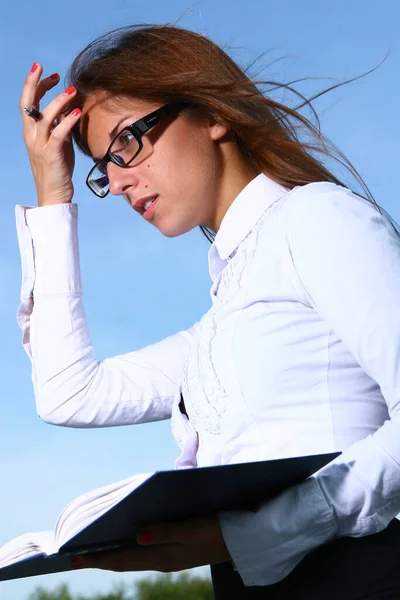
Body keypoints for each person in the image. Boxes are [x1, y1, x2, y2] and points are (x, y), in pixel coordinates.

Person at [18, 24, 400, 599]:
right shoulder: (225, 315)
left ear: (212, 112)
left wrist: (243, 537)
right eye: (104, 166)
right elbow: (67, 392)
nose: (118, 181)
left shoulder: (319, 220)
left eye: (127, 142)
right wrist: (53, 193)